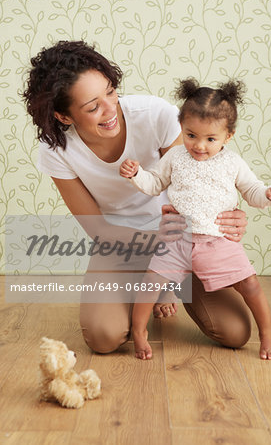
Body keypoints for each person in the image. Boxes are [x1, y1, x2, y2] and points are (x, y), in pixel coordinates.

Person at [23, 40, 249, 355]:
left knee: (236, 331)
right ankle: (145, 288)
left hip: (183, 239)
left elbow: (202, 185)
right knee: (103, 337)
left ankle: (165, 287)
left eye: (111, 91)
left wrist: (230, 215)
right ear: (64, 116)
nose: (110, 108)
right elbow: (98, 229)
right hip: (120, 241)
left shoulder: (155, 115)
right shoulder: (56, 151)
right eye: (92, 107)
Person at [120, 78, 271, 361]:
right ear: (182, 127)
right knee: (150, 283)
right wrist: (137, 174)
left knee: (251, 284)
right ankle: (139, 333)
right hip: (177, 239)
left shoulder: (232, 163)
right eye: (191, 135)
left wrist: (268, 194)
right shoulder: (175, 156)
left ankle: (266, 335)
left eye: (211, 139)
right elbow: (155, 183)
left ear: (228, 136)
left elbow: (251, 190)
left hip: (218, 241)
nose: (199, 146)